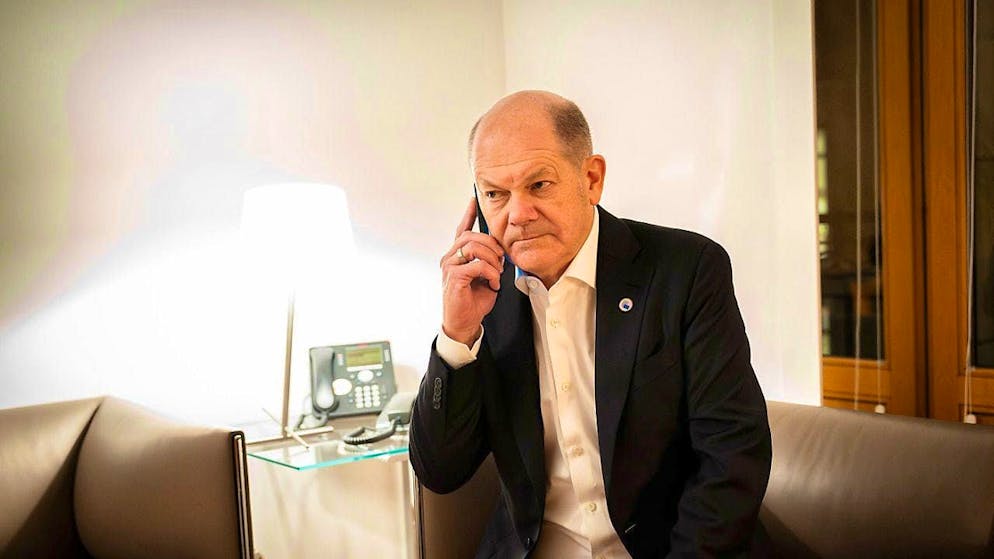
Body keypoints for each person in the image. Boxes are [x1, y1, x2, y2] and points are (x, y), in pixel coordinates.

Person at [409, 90, 771, 558]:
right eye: (495, 194)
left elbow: (733, 454)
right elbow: (440, 471)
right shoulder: (484, 297)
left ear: (591, 178)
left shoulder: (687, 270)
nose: (517, 214)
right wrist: (457, 336)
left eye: (539, 185)